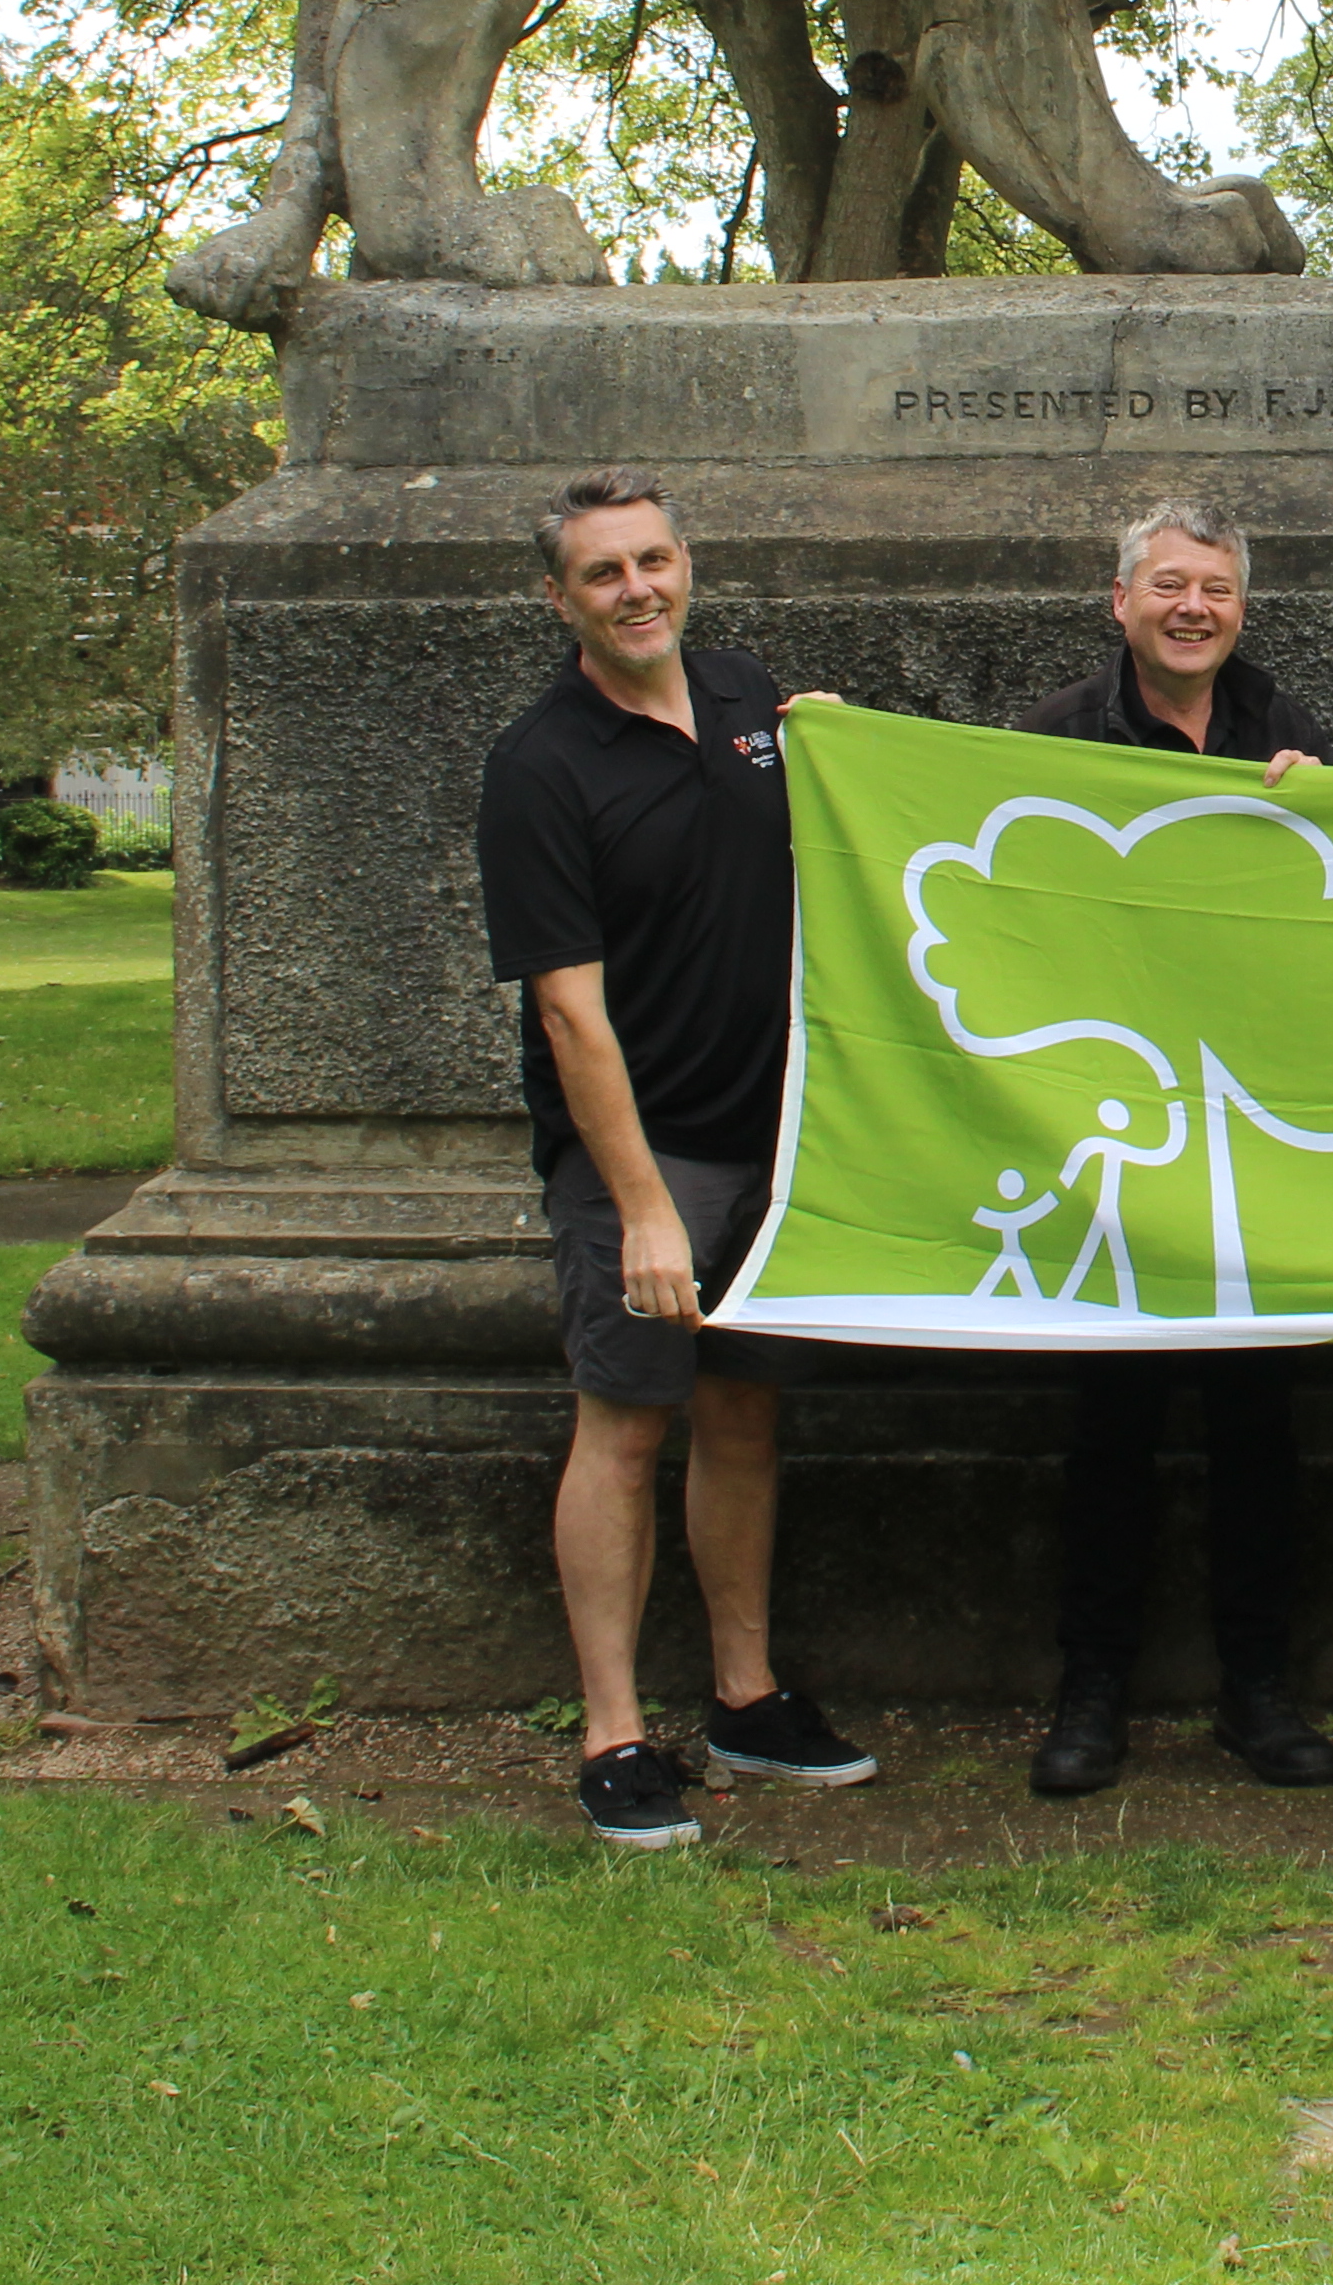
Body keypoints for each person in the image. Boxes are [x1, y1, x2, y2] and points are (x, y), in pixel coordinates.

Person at [472, 467, 877, 1850]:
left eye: (653, 561)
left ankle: (748, 1701)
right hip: (641, 1165)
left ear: (685, 564)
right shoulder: (541, 767)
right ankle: (613, 1734)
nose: (637, 590)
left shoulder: (750, 695)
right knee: (626, 1429)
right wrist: (640, 1206)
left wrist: (836, 751)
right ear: (560, 600)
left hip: (778, 1145)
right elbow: (568, 1011)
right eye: (604, 573)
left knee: (748, 1417)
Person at [1010, 500, 1333, 1798]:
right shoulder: (1048, 738)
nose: (1190, 607)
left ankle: (1258, 1693)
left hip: (1252, 1141)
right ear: (1120, 603)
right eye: (1166, 586)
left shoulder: (1292, 733)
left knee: (1257, 1430)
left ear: (1240, 610)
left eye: (1212, 588)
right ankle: (1091, 1692)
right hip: (1106, 1135)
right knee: (1110, 1427)